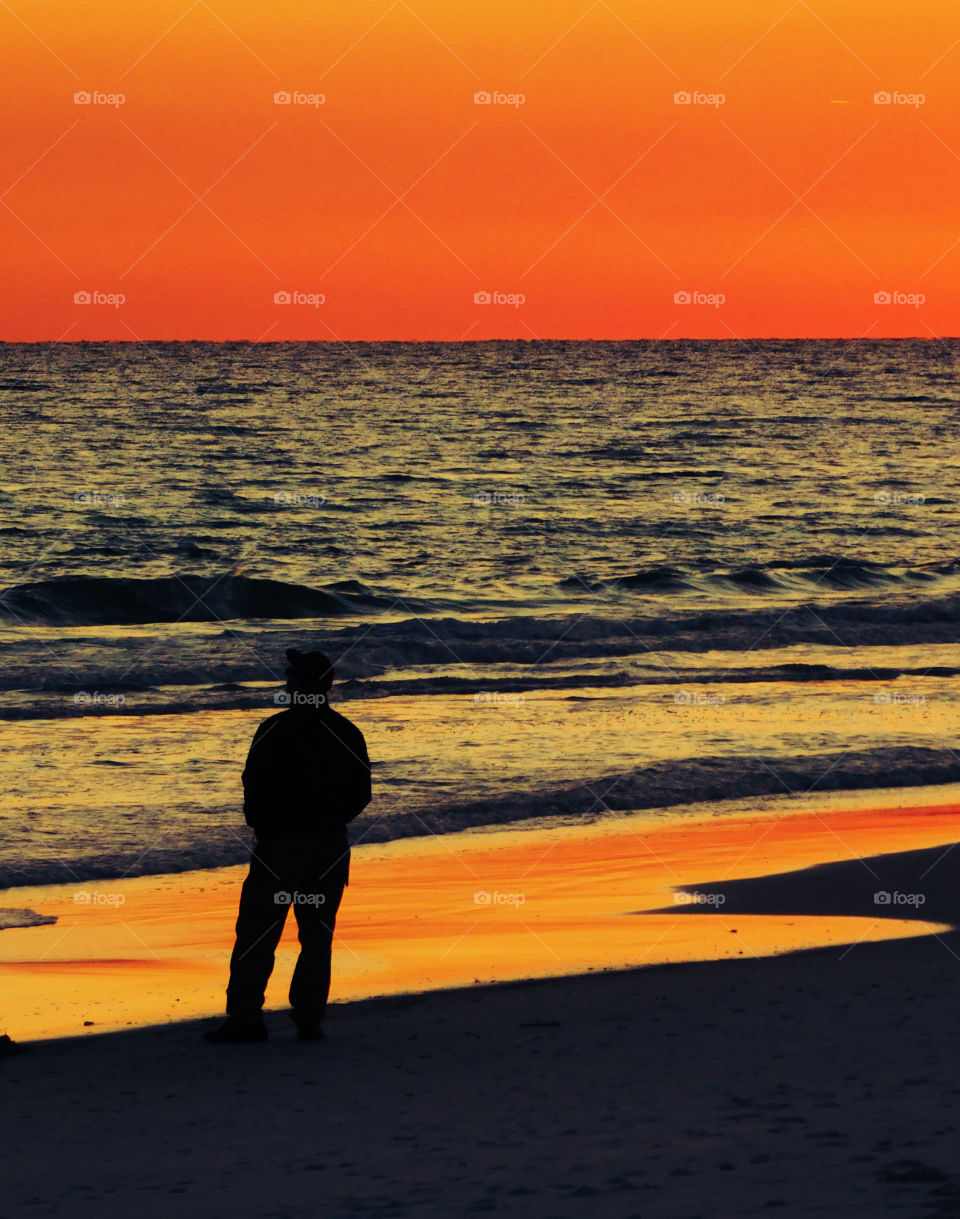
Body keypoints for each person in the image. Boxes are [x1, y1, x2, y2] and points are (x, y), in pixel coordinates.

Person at [204, 648, 372, 1044]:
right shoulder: (346, 731)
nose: (284, 678)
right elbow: (361, 793)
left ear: (298, 684)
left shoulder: (275, 729)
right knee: (316, 936)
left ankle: (246, 1018)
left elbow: (253, 785)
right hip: (329, 847)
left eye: (289, 674)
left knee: (258, 932)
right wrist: (331, 820)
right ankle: (309, 1019)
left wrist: (265, 826)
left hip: (282, 848)